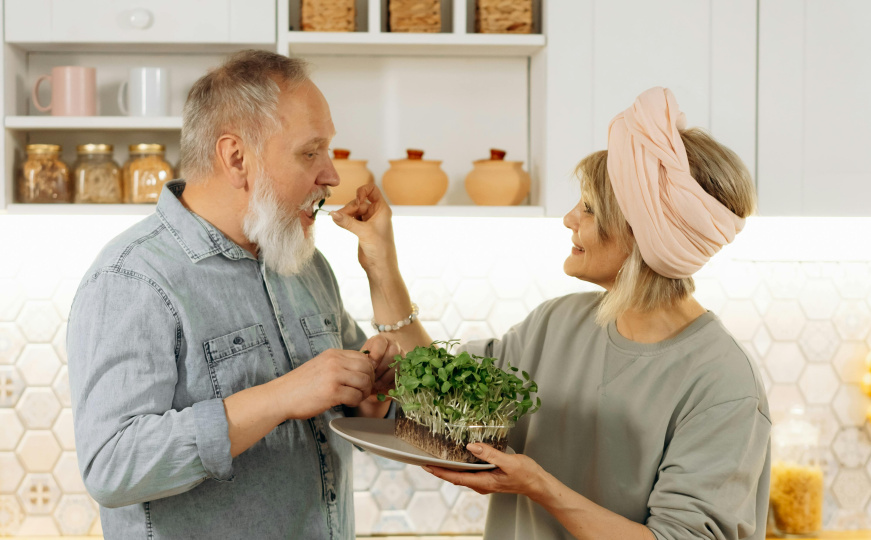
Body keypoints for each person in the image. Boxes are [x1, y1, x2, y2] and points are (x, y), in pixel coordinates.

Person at [331, 87, 770, 540]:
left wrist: (540, 487)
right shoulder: (559, 323)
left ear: (640, 235)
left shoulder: (723, 383)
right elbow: (446, 397)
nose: (569, 219)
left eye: (589, 208)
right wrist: (380, 260)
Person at [66, 50, 400, 538]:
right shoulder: (132, 278)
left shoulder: (304, 264)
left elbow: (360, 410)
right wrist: (281, 396)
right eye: (310, 153)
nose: (331, 175)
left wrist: (371, 401)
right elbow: (111, 466)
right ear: (237, 158)